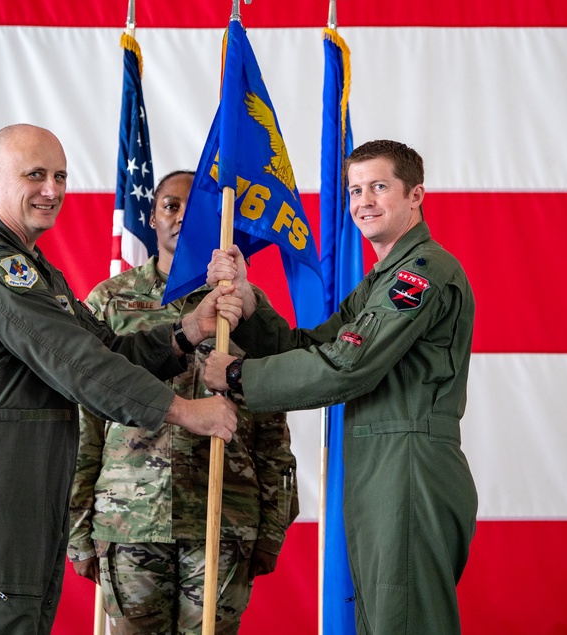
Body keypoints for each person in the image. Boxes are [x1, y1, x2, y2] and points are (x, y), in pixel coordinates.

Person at [0, 124, 240, 635]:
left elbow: (106, 348)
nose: (52, 190)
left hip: (14, 482)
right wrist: (187, 413)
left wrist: (189, 330)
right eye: (34, 175)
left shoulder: (33, 269)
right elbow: (80, 366)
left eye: (60, 176)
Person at [204, 140, 478, 634]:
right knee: (382, 621)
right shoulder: (382, 279)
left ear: (416, 194)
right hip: (381, 464)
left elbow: (349, 364)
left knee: (405, 622)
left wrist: (240, 377)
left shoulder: (421, 272)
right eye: (355, 190)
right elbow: (310, 343)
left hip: (409, 463)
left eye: (379, 187)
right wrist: (248, 304)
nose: (363, 201)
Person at [67, 170, 299, 634]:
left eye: (195, 209)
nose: (181, 217)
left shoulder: (244, 305)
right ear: (152, 217)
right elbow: (84, 418)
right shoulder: (110, 302)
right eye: (170, 206)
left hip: (223, 513)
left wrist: (273, 526)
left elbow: (274, 421)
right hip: (128, 517)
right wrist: (77, 526)